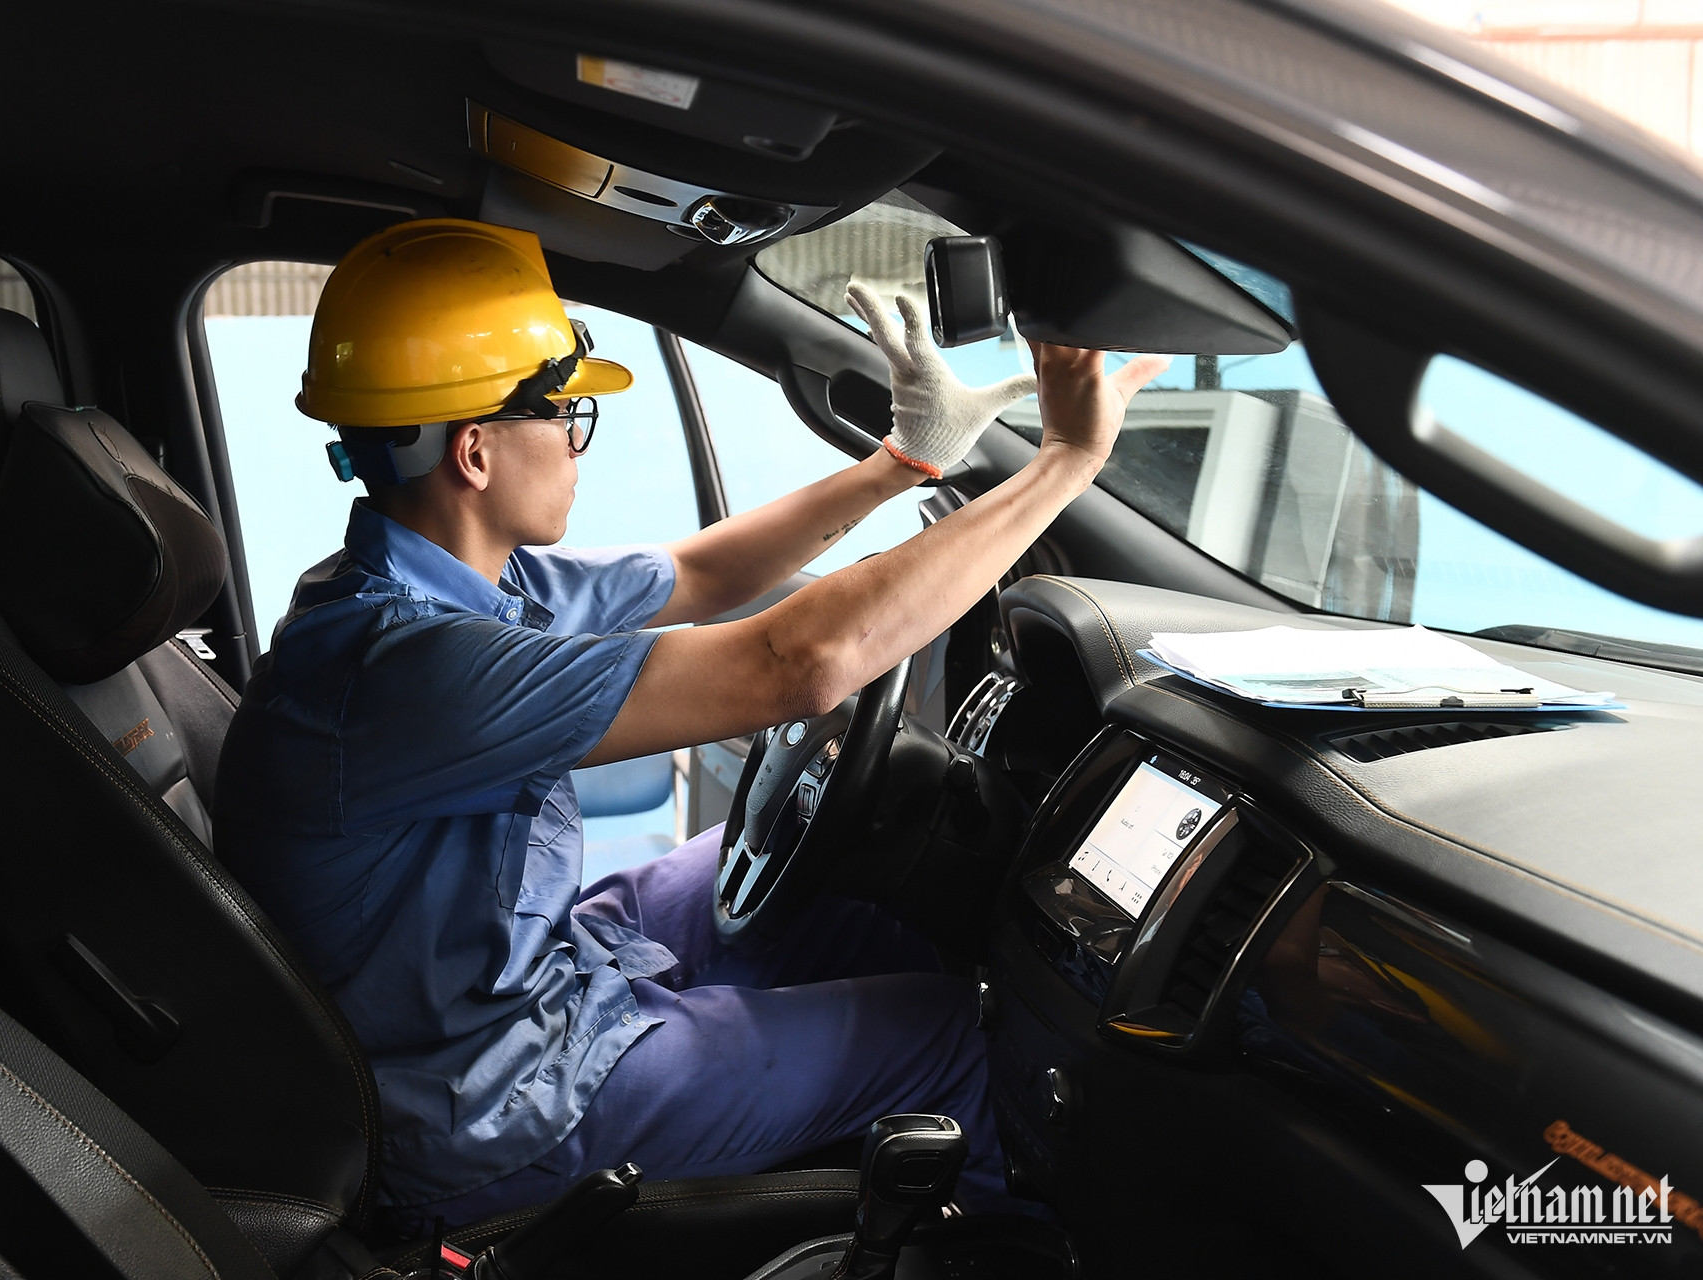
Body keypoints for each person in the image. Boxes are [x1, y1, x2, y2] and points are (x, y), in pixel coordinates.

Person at [214, 217, 1168, 1231]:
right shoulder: (409, 668)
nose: (577, 439)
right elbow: (794, 663)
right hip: (489, 1101)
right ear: (475, 451)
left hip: (521, 970)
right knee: (948, 1035)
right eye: (567, 412)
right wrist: (1066, 460)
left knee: (842, 895)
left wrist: (904, 461)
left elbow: (703, 572)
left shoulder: (452, 583)